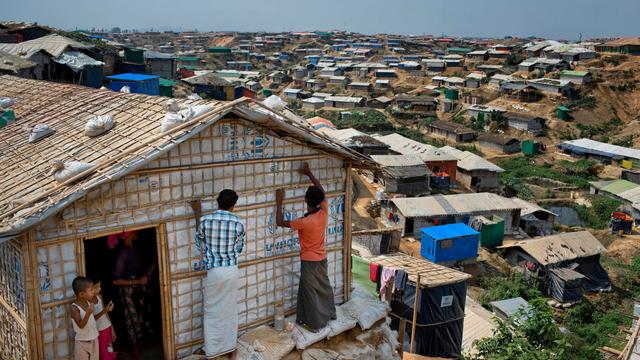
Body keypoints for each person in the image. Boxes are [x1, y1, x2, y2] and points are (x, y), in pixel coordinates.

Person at [275, 162, 336, 331]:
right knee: (320, 287)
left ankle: (315, 323)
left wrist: (279, 201)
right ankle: (322, 314)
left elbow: (279, 222)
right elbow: (322, 192)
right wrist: (309, 173)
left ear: (305, 200)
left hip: (309, 261)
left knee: (310, 293)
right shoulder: (323, 212)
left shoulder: (304, 222)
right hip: (322, 258)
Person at [191, 189, 245, 359]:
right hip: (231, 271)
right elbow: (239, 249)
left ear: (217, 201)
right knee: (230, 309)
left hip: (214, 272)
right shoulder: (238, 223)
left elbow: (199, 244)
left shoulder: (205, 221)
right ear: (233, 206)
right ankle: (231, 349)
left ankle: (213, 352)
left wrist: (197, 213)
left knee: (211, 311)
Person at [111, 231, 154, 358]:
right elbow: (115, 280)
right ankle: (134, 348)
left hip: (138, 289)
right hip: (128, 292)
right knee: (131, 319)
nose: (136, 232)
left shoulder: (133, 250)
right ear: (128, 235)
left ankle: (139, 344)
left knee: (140, 317)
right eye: (133, 232)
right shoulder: (123, 254)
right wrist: (138, 281)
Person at [71, 276, 99, 360]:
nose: (93, 292)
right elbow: (80, 325)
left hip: (93, 339)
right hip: (82, 343)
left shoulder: (88, 302)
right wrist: (88, 313)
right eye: (91, 290)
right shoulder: (74, 308)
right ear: (82, 294)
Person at [91, 280, 117, 360]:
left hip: (107, 328)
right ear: (89, 289)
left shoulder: (100, 296)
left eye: (100, 286)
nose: (100, 288)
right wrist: (104, 311)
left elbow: (106, 315)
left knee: (110, 351)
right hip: (98, 332)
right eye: (96, 287)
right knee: (103, 355)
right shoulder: (88, 302)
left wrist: (112, 328)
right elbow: (92, 319)